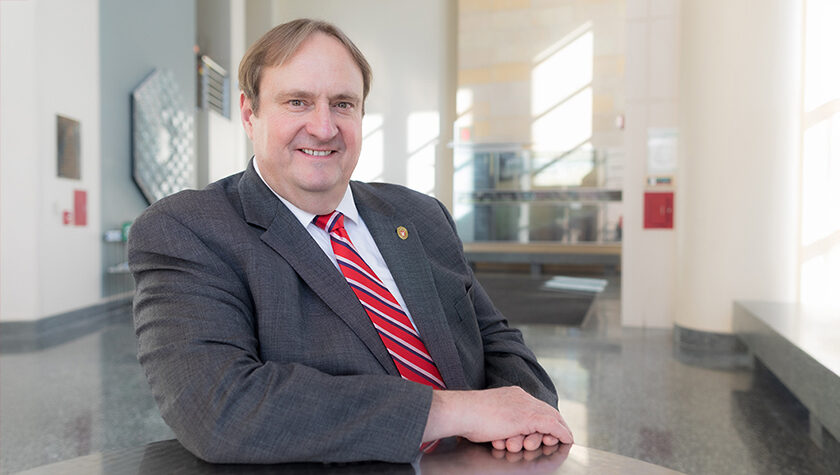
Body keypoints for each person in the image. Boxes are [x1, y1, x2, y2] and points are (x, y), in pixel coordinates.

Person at [129, 18, 573, 465]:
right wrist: (452, 411)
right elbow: (219, 406)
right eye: (297, 102)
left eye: (342, 104)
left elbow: (495, 339)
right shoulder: (187, 229)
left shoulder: (421, 215)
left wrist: (528, 414)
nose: (323, 128)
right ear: (250, 114)